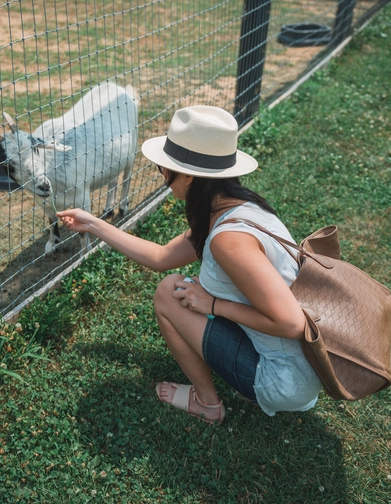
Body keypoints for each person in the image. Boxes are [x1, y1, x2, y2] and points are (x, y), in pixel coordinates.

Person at [57, 106, 322, 424]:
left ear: (191, 175)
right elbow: (160, 257)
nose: (163, 176)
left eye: (164, 169)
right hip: (303, 367)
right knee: (177, 285)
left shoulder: (229, 240)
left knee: (170, 293)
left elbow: (291, 324)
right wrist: (93, 224)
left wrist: (212, 303)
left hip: (284, 381)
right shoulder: (237, 207)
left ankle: (209, 406)